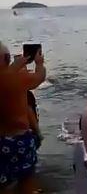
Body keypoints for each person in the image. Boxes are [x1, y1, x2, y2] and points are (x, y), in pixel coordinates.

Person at [0, 41, 46, 193]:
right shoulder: (16, 79)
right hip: (19, 139)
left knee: (2, 182)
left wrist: (16, 66)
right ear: (6, 58)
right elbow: (39, 77)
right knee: (26, 179)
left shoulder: (11, 76)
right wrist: (38, 63)